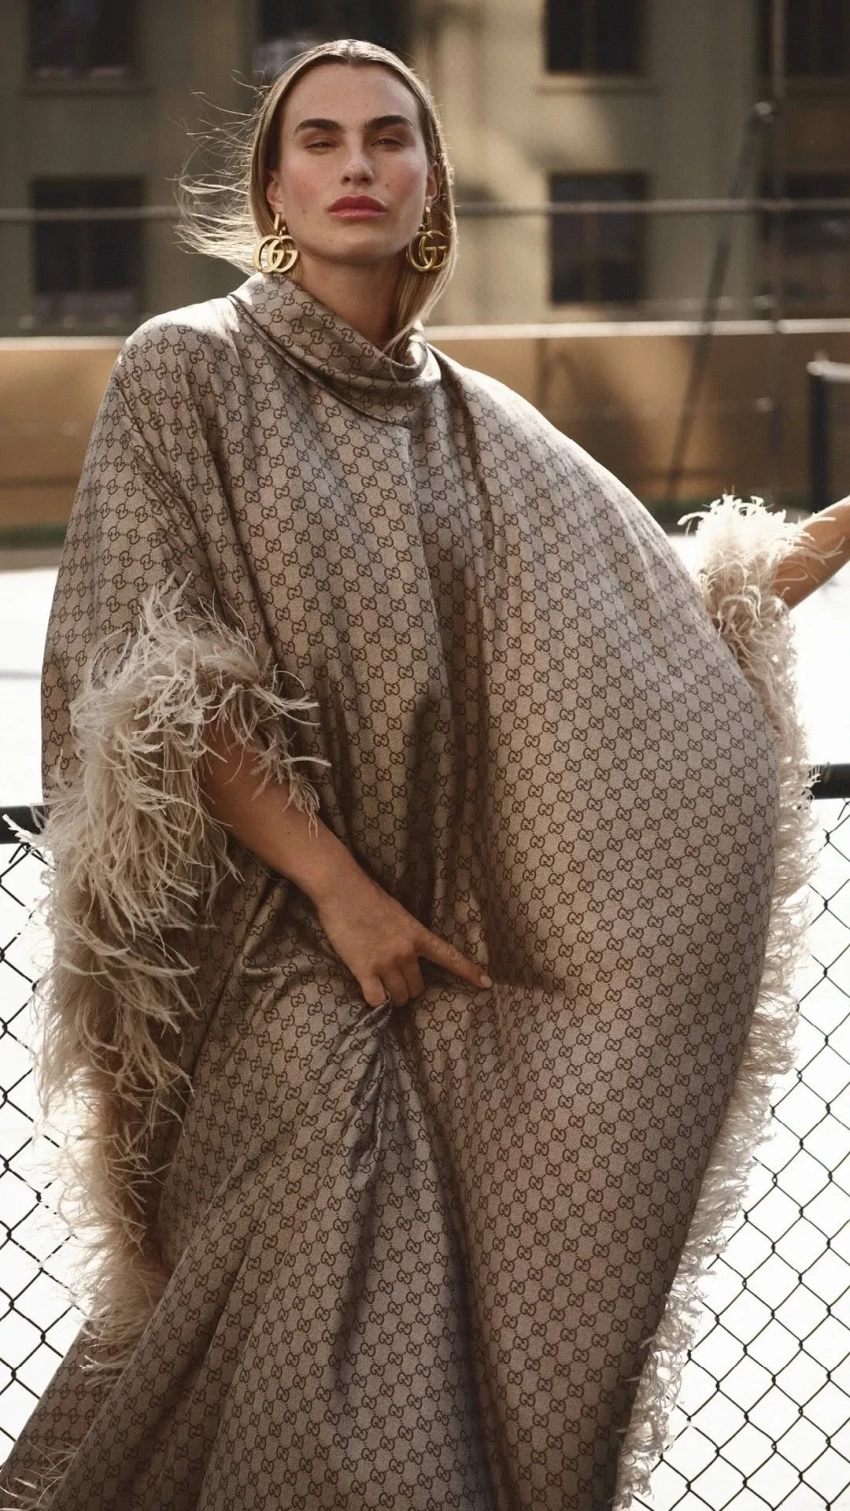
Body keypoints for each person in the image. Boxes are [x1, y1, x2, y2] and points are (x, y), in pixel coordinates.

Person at [1, 36, 849, 1511]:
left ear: (432, 186)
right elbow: (145, 679)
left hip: (444, 974)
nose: (357, 165)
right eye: (319, 140)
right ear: (271, 189)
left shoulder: (482, 426)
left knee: (380, 1394)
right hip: (274, 965)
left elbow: (660, 625)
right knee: (325, 1394)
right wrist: (338, 890)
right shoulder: (189, 367)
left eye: (388, 138)